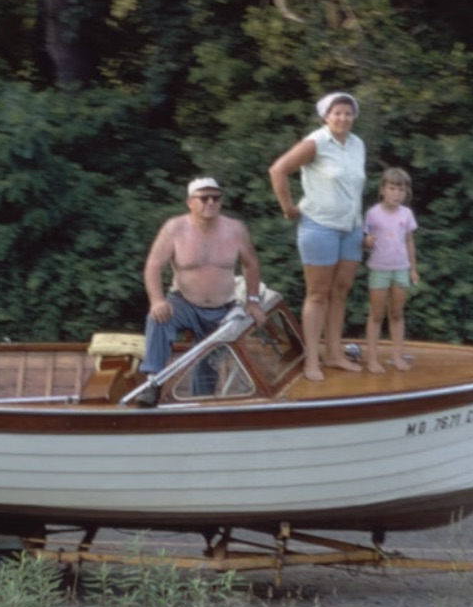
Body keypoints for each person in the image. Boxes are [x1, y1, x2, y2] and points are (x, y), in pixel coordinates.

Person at [136, 177, 264, 406]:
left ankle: (198, 405)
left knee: (207, 363)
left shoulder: (236, 229)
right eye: (204, 198)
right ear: (190, 202)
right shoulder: (174, 228)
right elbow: (153, 265)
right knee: (158, 318)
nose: (211, 203)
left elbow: (251, 264)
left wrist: (252, 301)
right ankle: (152, 382)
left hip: (223, 308)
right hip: (184, 302)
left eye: (216, 198)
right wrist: (156, 300)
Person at [268, 91, 366, 381]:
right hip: (319, 227)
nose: (343, 118)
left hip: (352, 228)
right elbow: (278, 170)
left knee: (341, 291)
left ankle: (334, 354)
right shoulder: (316, 142)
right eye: (337, 113)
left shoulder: (358, 144)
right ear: (325, 116)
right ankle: (312, 359)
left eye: (348, 113)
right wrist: (288, 208)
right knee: (318, 294)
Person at [362, 167, 421, 372]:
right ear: (383, 189)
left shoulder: (407, 214)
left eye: (401, 190)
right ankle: (372, 359)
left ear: (406, 192)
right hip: (379, 270)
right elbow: (366, 241)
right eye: (392, 188)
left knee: (396, 314)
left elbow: (410, 241)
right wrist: (367, 242)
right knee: (376, 315)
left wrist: (413, 269)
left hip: (401, 270)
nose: (396, 193)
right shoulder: (373, 214)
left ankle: (397, 357)